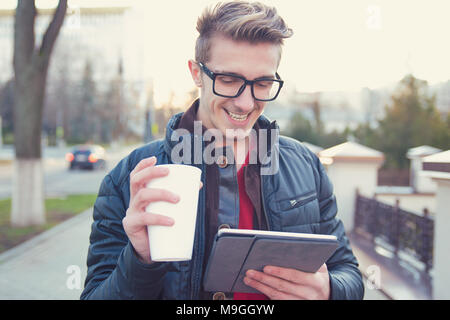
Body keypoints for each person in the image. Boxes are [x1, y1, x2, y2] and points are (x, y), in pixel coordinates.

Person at [81, 1, 364, 300]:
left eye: (263, 83)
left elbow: (348, 273)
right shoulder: (128, 178)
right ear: (196, 73)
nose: (245, 103)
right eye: (229, 80)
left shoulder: (307, 165)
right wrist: (140, 260)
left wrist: (329, 290)